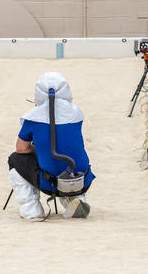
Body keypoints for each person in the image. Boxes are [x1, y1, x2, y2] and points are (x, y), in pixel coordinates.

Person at [7, 72, 95, 221]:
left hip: (51, 183)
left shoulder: (32, 118)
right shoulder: (76, 114)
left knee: (15, 159)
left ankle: (31, 209)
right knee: (68, 159)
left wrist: (39, 151)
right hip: (82, 179)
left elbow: (21, 149)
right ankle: (74, 199)